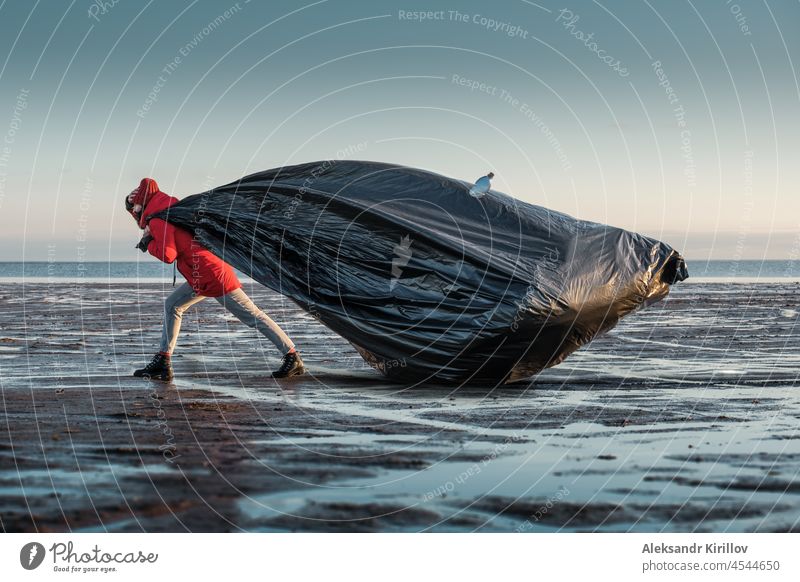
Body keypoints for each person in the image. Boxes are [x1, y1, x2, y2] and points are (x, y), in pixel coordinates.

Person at [125, 178, 305, 381]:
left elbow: (168, 255)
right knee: (173, 305)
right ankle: (163, 360)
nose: (133, 215)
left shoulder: (158, 219)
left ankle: (292, 355)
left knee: (252, 316)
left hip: (211, 274)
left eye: (132, 210)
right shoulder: (170, 208)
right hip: (202, 273)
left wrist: (147, 243)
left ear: (139, 206)